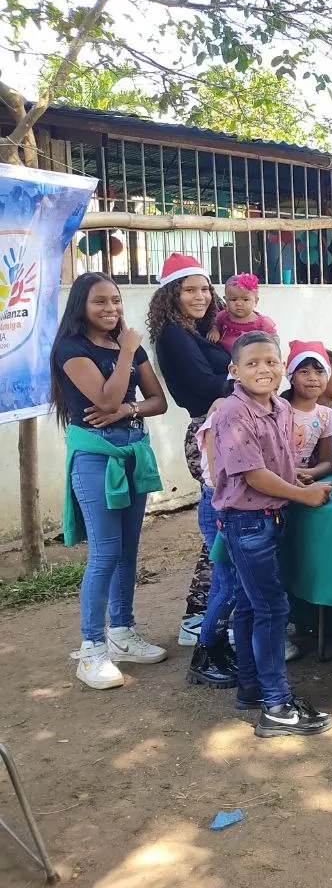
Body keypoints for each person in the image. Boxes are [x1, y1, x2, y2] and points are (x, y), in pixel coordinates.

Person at [211, 331, 332, 737]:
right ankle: (277, 705)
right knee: (271, 609)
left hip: (271, 517)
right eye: (252, 363)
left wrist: (297, 477)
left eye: (270, 361)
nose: (263, 369)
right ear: (234, 371)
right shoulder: (234, 413)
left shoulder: (280, 407)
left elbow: (274, 461)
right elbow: (252, 473)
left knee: (251, 606)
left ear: (281, 366)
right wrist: (301, 493)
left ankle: (251, 688)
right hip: (247, 522)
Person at [54, 272, 169, 690]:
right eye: (100, 302)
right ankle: (91, 650)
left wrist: (125, 412)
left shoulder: (128, 346)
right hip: (96, 459)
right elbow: (103, 396)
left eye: (116, 301)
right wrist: (125, 356)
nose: (111, 309)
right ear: (81, 306)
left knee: (128, 551)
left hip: (133, 454)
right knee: (104, 553)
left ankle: (122, 633)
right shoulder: (71, 349)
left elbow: (158, 401)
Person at [148, 253, 232, 646]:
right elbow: (206, 387)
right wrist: (240, 373)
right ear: (172, 294)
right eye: (189, 290)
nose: (200, 296)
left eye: (204, 289)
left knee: (227, 525)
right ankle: (197, 616)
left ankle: (213, 610)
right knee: (219, 527)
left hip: (224, 427)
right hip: (210, 433)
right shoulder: (173, 336)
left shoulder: (197, 332)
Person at [185, 388, 239, 689]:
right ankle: (204, 655)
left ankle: (217, 649)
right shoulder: (223, 410)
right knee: (226, 584)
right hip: (220, 505)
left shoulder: (267, 409)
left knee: (227, 583)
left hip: (232, 504)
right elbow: (219, 477)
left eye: (272, 362)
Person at [281, 342, 332, 483]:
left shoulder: (326, 415)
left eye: (319, 372)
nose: (313, 377)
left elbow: (326, 462)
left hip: (302, 480)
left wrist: (310, 473)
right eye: (304, 372)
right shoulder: (277, 409)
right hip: (273, 480)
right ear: (291, 378)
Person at [210, 273, 276, 352]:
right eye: (233, 299)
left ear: (256, 301)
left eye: (245, 300)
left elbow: (274, 339)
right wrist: (214, 330)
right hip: (224, 353)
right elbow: (215, 323)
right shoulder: (224, 315)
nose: (239, 304)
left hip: (250, 357)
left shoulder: (262, 322)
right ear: (226, 300)